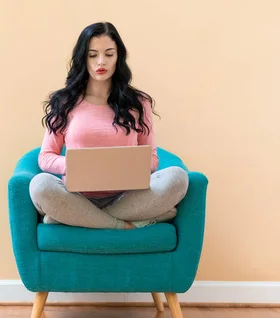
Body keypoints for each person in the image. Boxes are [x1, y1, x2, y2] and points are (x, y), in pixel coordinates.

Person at [29, 22, 188, 230]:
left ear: (118, 57)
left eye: (109, 54)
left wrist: (124, 165)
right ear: (82, 58)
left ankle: (77, 219)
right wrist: (74, 165)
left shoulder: (138, 103)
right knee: (40, 186)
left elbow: (152, 159)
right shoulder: (64, 102)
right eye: (92, 55)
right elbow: (46, 156)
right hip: (77, 196)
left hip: (126, 197)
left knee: (177, 178)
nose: (101, 61)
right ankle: (119, 225)